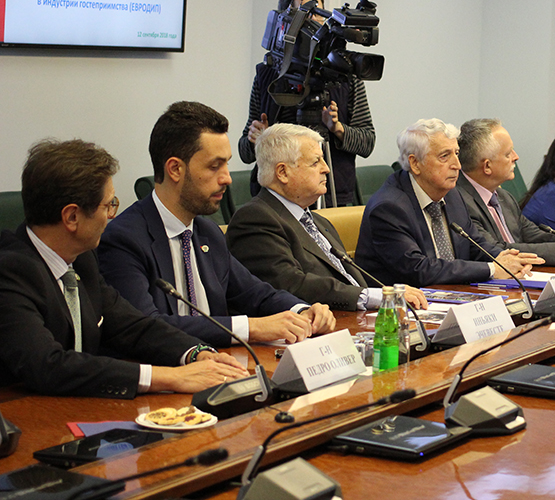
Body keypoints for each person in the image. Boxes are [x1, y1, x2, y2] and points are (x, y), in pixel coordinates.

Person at [0, 139, 248, 398]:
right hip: (23, 411)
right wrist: (169, 377)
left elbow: (131, 325)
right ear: (72, 217)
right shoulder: (10, 272)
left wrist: (195, 353)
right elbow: (47, 365)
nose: (112, 216)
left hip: (81, 405)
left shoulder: (82, 260)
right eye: (108, 205)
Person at [98, 101, 335, 348]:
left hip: (221, 363)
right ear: (175, 169)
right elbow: (146, 327)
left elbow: (257, 294)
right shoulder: (123, 239)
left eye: (227, 164)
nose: (227, 178)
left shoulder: (207, 232)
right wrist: (252, 328)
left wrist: (302, 311)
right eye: (214, 166)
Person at [227, 123, 426, 310]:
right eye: (316, 162)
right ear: (283, 172)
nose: (326, 168)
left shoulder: (319, 222)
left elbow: (352, 279)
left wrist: (389, 293)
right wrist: (375, 297)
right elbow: (291, 284)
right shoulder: (255, 219)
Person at [355, 118, 542, 287]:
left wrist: (506, 260)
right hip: (400, 306)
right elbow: (418, 269)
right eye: (444, 156)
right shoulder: (389, 208)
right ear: (415, 163)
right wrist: (492, 269)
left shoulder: (451, 194)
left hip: (450, 294)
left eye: (456, 154)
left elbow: (474, 243)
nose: (457, 165)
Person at [238, 0, 375, 205]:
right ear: (284, 23)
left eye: (317, 14)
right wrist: (258, 138)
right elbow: (245, 152)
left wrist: (337, 129)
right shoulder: (267, 76)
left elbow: (367, 142)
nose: (311, 22)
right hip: (276, 196)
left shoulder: (345, 76)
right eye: (302, 15)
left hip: (331, 194)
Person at [457, 118, 555, 265]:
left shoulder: (505, 198)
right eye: (508, 154)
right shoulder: (459, 202)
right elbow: (495, 250)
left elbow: (534, 235)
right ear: (487, 166)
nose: (516, 157)